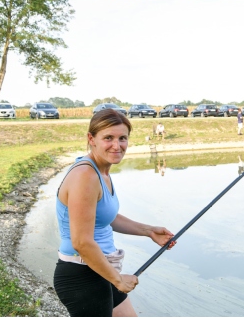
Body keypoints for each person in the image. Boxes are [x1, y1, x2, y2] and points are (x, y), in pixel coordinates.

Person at [54, 110, 175, 316]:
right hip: (82, 275)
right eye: (108, 138)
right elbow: (81, 242)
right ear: (91, 139)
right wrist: (118, 280)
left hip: (101, 268)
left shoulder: (101, 171)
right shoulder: (85, 175)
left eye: (122, 138)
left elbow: (105, 218)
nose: (117, 146)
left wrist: (148, 231)